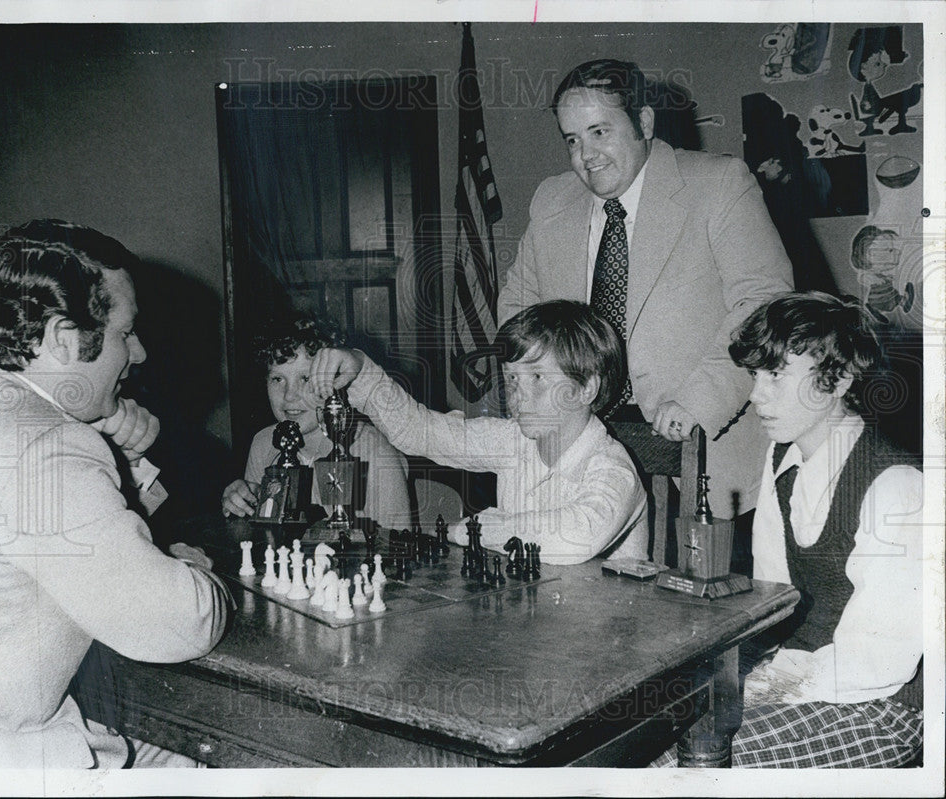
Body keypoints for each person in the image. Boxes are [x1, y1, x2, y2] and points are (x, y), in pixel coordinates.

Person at [0, 219, 232, 768]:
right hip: (8, 760)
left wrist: (121, 453)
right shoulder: (48, 447)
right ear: (64, 339)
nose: (137, 354)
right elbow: (176, 625)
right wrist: (197, 571)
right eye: (124, 333)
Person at [497, 59, 794, 520]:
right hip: (584, 457)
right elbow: (518, 309)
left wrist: (699, 401)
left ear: (644, 122)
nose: (586, 155)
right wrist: (541, 390)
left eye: (600, 132)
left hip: (706, 454)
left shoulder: (718, 183)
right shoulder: (551, 200)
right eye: (572, 139)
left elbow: (765, 303)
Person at [655, 292, 923, 767]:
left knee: (690, 758)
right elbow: (772, 597)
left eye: (776, 375)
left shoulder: (896, 487)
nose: (756, 394)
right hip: (804, 671)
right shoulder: (783, 456)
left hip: (880, 705)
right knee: (654, 730)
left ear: (838, 379)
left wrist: (766, 688)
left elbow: (878, 663)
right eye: (756, 375)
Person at [307, 300, 648, 565]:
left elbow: (577, 537)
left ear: (586, 388)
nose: (518, 393)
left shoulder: (613, 468)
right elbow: (421, 431)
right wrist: (361, 371)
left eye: (537, 378)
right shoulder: (513, 439)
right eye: (512, 378)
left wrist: (471, 529)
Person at [220, 315, 411, 528]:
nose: (289, 395)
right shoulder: (264, 443)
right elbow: (261, 537)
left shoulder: (370, 449)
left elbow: (397, 545)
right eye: (277, 379)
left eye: (305, 378)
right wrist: (242, 502)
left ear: (336, 380)